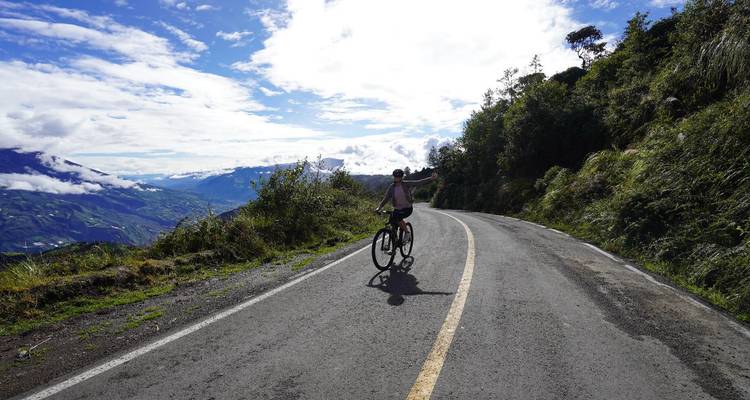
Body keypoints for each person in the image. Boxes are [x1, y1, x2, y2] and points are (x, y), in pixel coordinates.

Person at [375, 169, 438, 244]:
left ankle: (407, 232)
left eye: (398, 176)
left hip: (407, 208)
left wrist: (431, 178)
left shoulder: (406, 184)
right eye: (395, 176)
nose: (397, 178)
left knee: (398, 218)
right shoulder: (392, 187)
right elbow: (385, 199)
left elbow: (418, 183)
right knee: (393, 224)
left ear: (401, 177)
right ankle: (394, 245)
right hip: (397, 209)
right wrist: (379, 207)